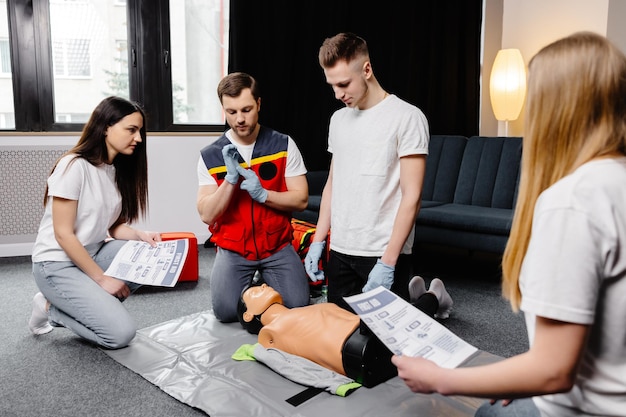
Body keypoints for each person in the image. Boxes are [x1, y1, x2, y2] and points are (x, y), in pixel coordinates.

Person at [392, 32, 626, 417]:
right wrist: (517, 378)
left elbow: (554, 371)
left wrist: (440, 378)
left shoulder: (572, 202)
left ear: (555, 108)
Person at [305, 32, 430, 311]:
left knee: (386, 349)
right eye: (332, 86)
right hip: (341, 248)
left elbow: (412, 196)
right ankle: (427, 297)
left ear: (367, 69)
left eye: (344, 84)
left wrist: (388, 261)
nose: (338, 94)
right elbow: (332, 184)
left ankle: (431, 299)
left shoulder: (407, 117)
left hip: (382, 253)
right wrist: (318, 241)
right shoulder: (338, 120)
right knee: (340, 344)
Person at [28, 96, 161, 349]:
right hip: (56, 264)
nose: (139, 138)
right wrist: (101, 279)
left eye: (140, 131)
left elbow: (113, 226)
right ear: (106, 127)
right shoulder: (73, 166)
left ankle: (89, 303)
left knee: (148, 254)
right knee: (120, 335)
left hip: (93, 253)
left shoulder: (114, 170)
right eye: (131, 130)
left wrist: (140, 235)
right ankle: (49, 307)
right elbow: (63, 234)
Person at [197, 72, 310, 323]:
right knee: (225, 312)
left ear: (259, 104)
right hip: (234, 249)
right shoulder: (210, 155)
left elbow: (301, 199)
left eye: (246, 110)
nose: (239, 119)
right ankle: (255, 287)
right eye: (231, 112)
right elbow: (206, 214)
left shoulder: (283, 144)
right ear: (223, 110)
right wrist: (229, 180)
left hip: (276, 247)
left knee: (297, 307)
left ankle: (263, 283)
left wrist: (263, 194)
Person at [238, 275, 452, 387]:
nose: (264, 285)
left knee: (391, 321)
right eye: (256, 291)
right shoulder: (269, 334)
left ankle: (422, 302)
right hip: (360, 353)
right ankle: (433, 297)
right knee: (401, 329)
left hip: (365, 330)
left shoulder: (297, 312)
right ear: (249, 315)